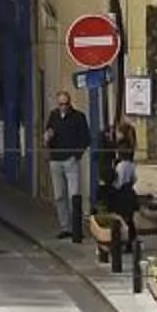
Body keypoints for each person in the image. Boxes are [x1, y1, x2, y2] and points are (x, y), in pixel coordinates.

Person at [44, 90, 92, 238]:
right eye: (60, 104)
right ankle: (65, 227)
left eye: (65, 104)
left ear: (69, 103)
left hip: (70, 160)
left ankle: (76, 228)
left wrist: (76, 155)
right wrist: (47, 137)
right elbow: (48, 133)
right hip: (55, 160)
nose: (63, 107)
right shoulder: (53, 116)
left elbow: (86, 139)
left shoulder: (78, 117)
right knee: (59, 196)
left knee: (74, 195)